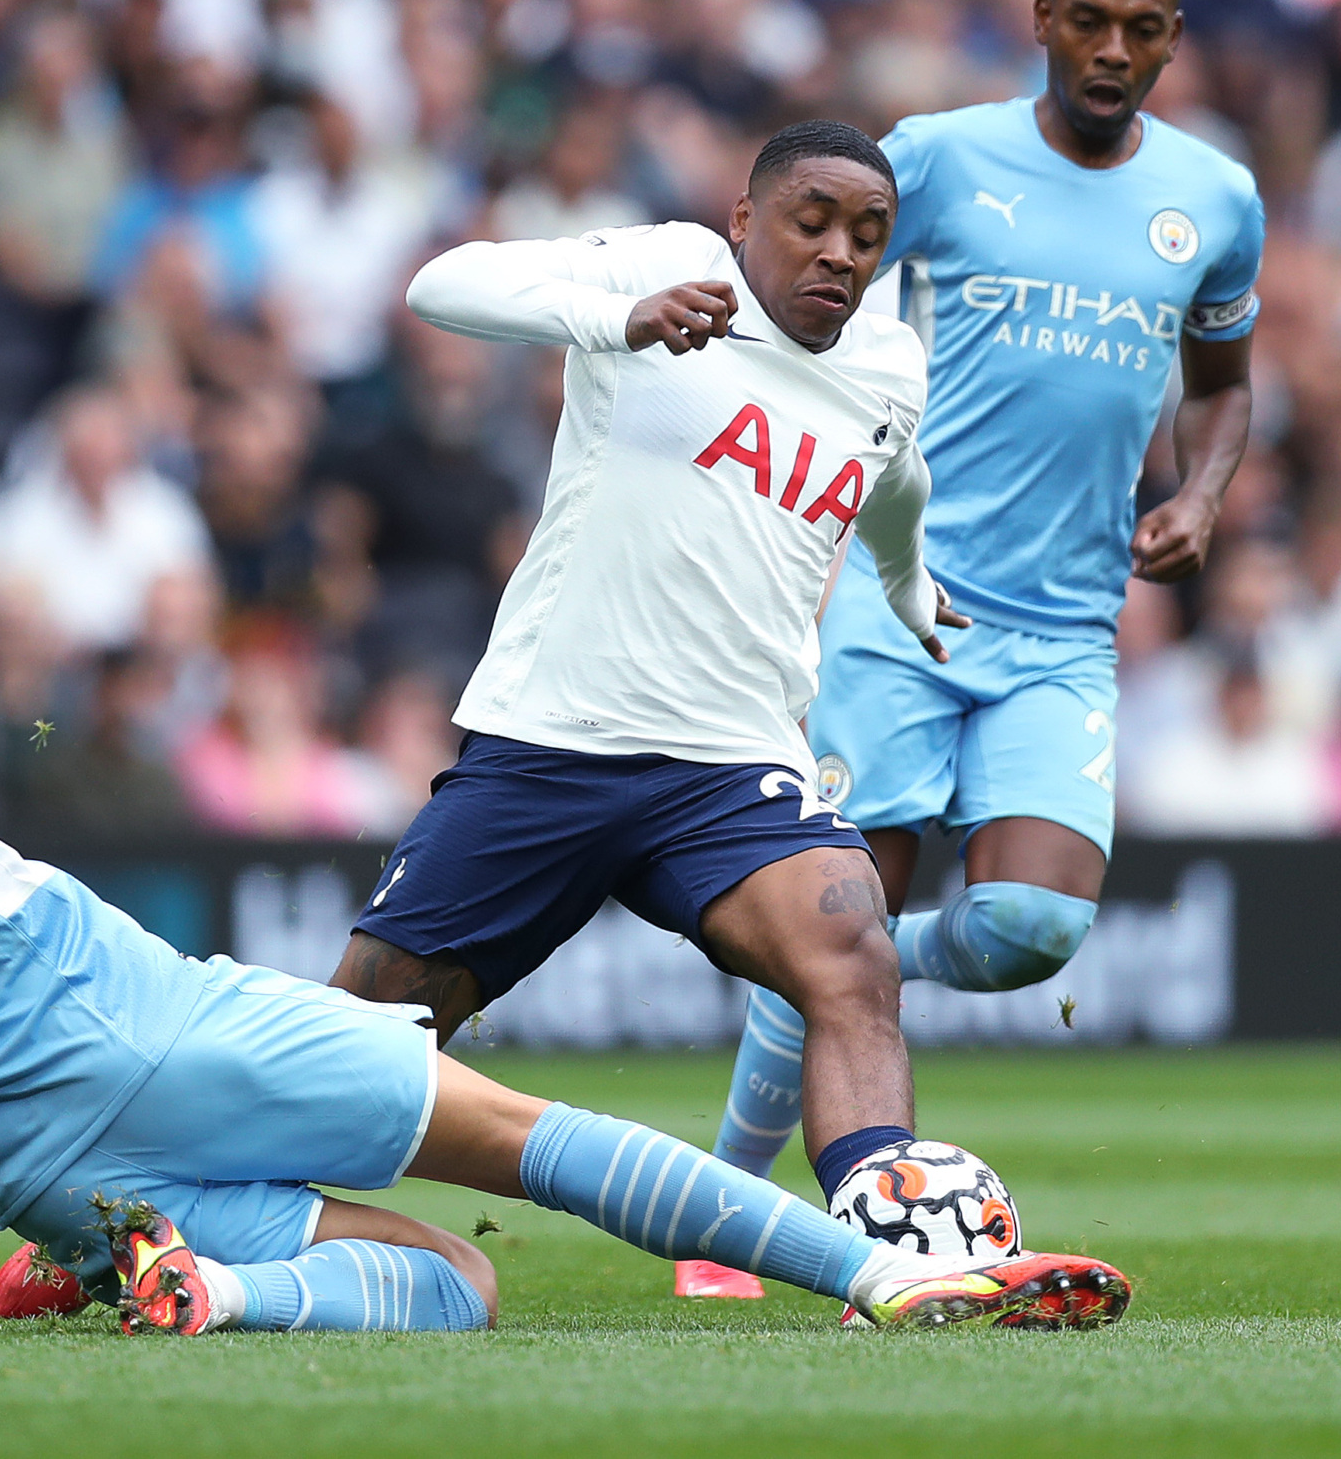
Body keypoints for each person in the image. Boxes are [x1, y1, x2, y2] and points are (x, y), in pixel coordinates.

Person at [0, 511, 1130, 1337]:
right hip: (152, 1028)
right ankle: (892, 1275)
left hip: (43, 1171)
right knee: (525, 1141)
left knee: (455, 1288)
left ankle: (197, 1285)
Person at [689, 0, 1265, 1296]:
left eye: (1143, 29)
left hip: (1067, 628)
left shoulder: (1218, 197)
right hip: (906, 600)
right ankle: (728, 1211)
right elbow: (806, 307)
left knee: (1031, 932)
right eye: (1090, 21)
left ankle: (872, 972)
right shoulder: (938, 156)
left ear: (1173, 40)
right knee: (836, 910)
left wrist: (1202, 491)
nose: (1114, 50)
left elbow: (1226, 377)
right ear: (1043, 15)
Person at [323, 120, 974, 1264]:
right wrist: (614, 319)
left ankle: (895, 1245)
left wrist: (908, 588)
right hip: (550, 742)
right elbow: (439, 282)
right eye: (810, 221)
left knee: (852, 954)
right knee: (356, 1043)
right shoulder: (665, 266)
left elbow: (893, 478)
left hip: (730, 763)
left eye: (866, 236)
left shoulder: (887, 363)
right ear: (743, 222)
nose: (838, 252)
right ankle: (156, 1211)